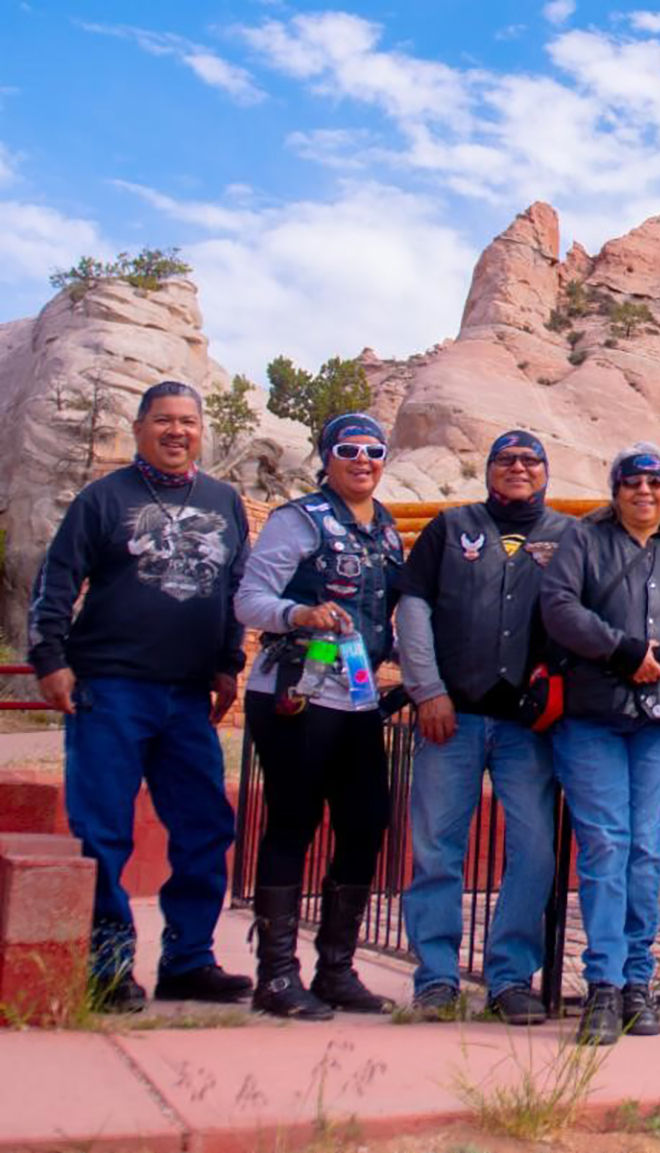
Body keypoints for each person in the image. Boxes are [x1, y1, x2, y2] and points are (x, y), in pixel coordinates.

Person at [28, 381, 254, 1013]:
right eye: (163, 421)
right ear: (139, 427)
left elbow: (237, 590)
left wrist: (229, 663)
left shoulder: (225, 502)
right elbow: (56, 581)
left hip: (187, 696)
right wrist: (49, 658)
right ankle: (108, 968)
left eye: (187, 421)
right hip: (110, 687)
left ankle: (188, 961)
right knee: (102, 829)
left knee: (206, 826)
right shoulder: (102, 499)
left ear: (201, 430)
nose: (176, 431)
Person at [540, 443, 660, 1044]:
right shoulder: (584, 543)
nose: (644, 492)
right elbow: (559, 607)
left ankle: (636, 982)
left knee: (645, 848)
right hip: (593, 712)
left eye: (655, 483)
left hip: (658, 718)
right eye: (632, 482)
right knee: (605, 843)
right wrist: (623, 651)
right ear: (615, 489)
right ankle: (603, 983)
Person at [234, 412, 403, 1019]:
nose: (363, 459)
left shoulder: (386, 531)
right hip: (296, 692)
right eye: (349, 449)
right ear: (327, 457)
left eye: (375, 450)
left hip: (357, 698)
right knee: (292, 822)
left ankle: (336, 969)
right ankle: (277, 976)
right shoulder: (297, 520)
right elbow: (249, 600)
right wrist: (301, 616)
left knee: (365, 821)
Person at [397, 432, 568, 1026]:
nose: (518, 468)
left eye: (530, 460)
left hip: (528, 724)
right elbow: (413, 608)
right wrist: (428, 690)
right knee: (437, 848)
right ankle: (437, 978)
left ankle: (510, 977)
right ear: (489, 468)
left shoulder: (568, 535)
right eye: (506, 459)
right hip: (454, 716)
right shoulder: (451, 527)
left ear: (546, 471)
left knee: (535, 852)